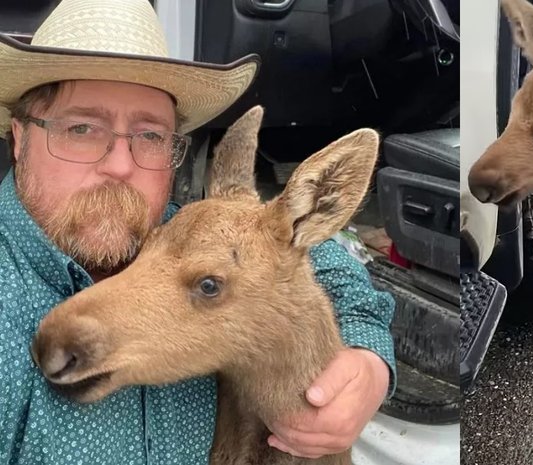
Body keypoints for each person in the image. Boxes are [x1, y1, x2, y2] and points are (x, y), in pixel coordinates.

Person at [0, 0, 397, 463]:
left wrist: (369, 362)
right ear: (20, 137)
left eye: (149, 135)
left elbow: (313, 260)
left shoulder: (170, 227)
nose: (120, 165)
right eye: (82, 127)